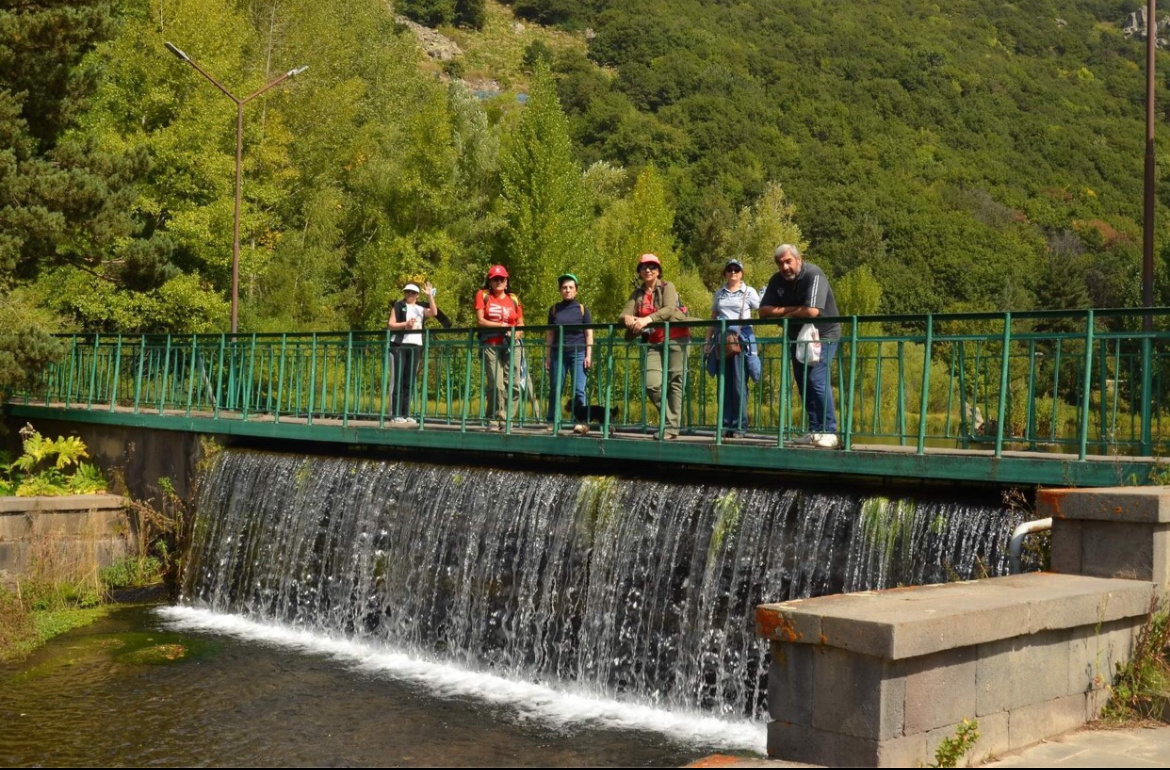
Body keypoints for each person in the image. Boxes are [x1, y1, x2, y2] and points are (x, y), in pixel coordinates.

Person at [758, 244, 841, 448]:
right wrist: (795, 309)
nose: (785, 267)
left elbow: (812, 311)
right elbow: (763, 311)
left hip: (823, 333)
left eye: (788, 261)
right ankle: (815, 430)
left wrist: (786, 313)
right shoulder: (777, 280)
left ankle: (830, 431)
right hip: (798, 336)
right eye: (780, 263)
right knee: (803, 380)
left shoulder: (814, 274)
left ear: (799, 259)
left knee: (816, 378)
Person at [619, 253, 689, 440]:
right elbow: (625, 313)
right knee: (652, 384)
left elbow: (668, 309)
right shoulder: (637, 294)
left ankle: (671, 429)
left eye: (652, 267)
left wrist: (646, 320)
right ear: (640, 272)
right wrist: (627, 318)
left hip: (676, 338)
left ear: (658, 271)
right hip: (654, 342)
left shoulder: (668, 287)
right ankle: (670, 422)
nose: (648, 270)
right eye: (644, 267)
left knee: (675, 381)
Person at [705, 259, 760, 438]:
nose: (733, 273)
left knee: (738, 384)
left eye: (737, 270)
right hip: (721, 340)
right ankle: (725, 425)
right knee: (724, 383)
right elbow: (714, 317)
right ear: (725, 273)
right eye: (730, 270)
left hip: (740, 339)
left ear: (741, 273)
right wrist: (707, 341)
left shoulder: (749, 291)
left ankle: (740, 426)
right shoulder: (720, 293)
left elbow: (762, 309)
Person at [475, 265, 525, 430]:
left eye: (502, 279)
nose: (498, 282)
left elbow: (520, 323)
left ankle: (507, 419)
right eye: (495, 279)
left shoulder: (514, 299)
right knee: (497, 384)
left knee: (514, 383)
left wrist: (516, 334)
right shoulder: (483, 295)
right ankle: (495, 418)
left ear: (506, 280)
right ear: (489, 281)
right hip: (491, 344)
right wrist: (502, 325)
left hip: (512, 345)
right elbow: (480, 321)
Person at [546, 273, 593, 435]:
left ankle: (580, 422)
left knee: (579, 389)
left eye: (570, 287)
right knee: (555, 387)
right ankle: (553, 420)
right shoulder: (554, 310)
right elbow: (550, 334)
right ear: (560, 290)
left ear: (576, 291)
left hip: (579, 352)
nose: (567, 290)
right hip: (558, 353)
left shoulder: (582, 309)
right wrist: (548, 356)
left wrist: (589, 355)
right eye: (564, 287)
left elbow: (589, 333)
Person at [387, 281, 439, 424]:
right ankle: (395, 414)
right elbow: (390, 325)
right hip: (399, 345)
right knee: (398, 379)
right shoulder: (398, 306)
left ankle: (405, 413)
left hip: (415, 345)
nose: (409, 294)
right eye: (407, 292)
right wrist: (405, 325)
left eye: (413, 292)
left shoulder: (420, 308)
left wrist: (430, 296)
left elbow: (434, 313)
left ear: (417, 295)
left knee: (409, 380)